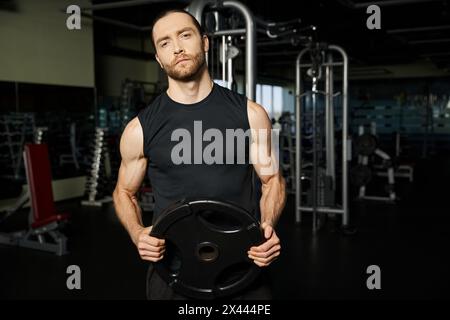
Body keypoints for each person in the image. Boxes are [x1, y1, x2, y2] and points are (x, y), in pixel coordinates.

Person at [112, 9, 286, 300]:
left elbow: (272, 181)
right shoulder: (139, 129)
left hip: (243, 265)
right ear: (158, 58)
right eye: (164, 43)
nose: (176, 47)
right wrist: (137, 232)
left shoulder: (251, 115)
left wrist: (267, 227)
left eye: (185, 35)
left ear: (205, 43)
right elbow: (123, 192)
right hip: (174, 272)